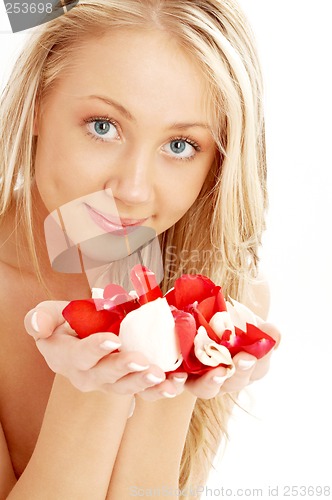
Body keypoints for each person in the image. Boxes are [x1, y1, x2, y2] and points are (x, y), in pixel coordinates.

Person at [0, 0, 280, 498]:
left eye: (179, 146)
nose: (132, 190)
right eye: (103, 126)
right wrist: (92, 389)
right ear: (38, 104)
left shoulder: (220, 305)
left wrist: (176, 363)